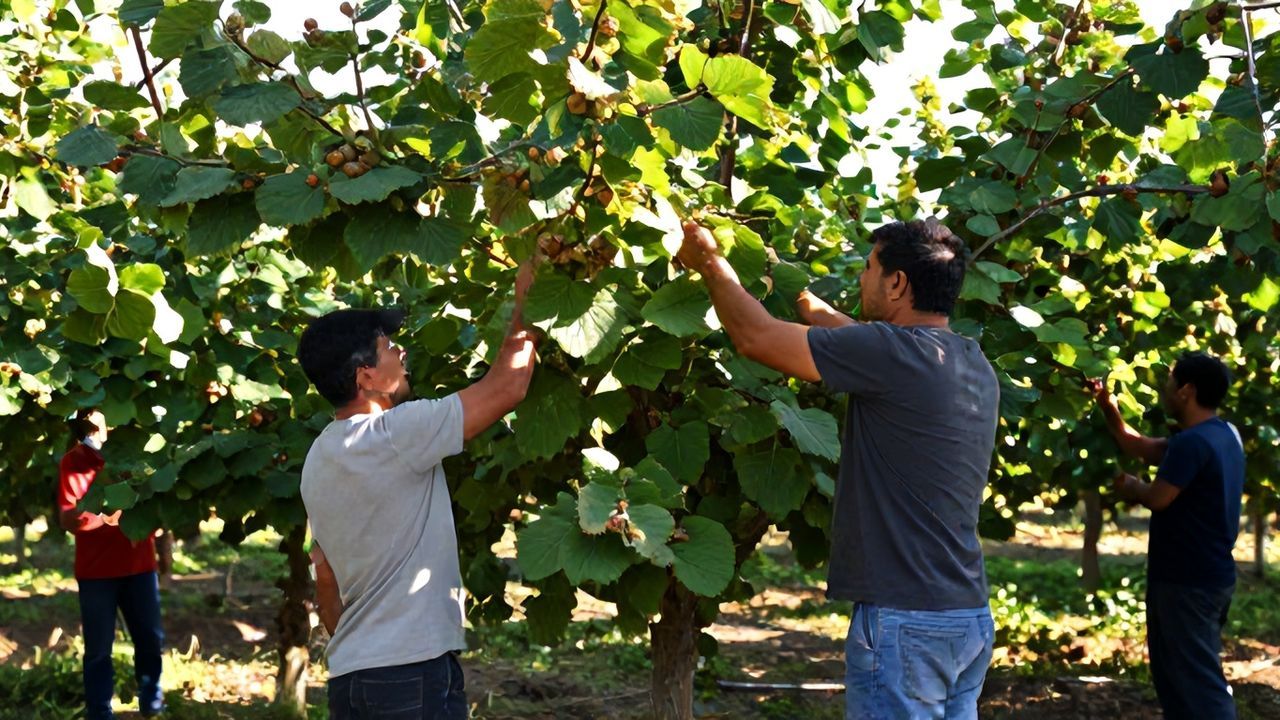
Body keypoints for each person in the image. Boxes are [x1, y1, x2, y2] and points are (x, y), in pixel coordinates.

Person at [677, 219, 999, 718]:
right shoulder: (965, 358)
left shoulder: (889, 354)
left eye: (870, 267)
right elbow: (847, 331)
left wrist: (710, 262)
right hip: (965, 616)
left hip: (904, 619)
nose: (862, 278)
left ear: (897, 283)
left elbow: (756, 339)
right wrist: (789, 284)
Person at [298, 263, 538, 720]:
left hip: (352, 675)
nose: (401, 351)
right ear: (365, 376)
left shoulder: (317, 458)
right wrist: (530, 297)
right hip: (411, 672)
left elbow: (325, 578)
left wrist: (363, 650)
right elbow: (509, 384)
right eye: (389, 347)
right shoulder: (395, 433)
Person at [1091, 352, 1244, 720]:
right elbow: (1140, 446)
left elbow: (1159, 498)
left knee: (1196, 683)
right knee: (1178, 678)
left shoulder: (1193, 444)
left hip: (1186, 581)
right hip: (1207, 577)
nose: (1165, 388)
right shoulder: (1220, 434)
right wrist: (1107, 405)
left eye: (1170, 381)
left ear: (1187, 391)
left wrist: (1131, 486)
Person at [56, 409, 165, 719]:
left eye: (99, 416)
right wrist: (107, 517)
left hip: (139, 566)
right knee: (99, 649)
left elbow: (156, 506)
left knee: (150, 639)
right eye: (87, 417)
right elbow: (67, 517)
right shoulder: (74, 462)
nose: (95, 423)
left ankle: (152, 702)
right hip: (96, 572)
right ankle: (100, 711)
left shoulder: (138, 453)